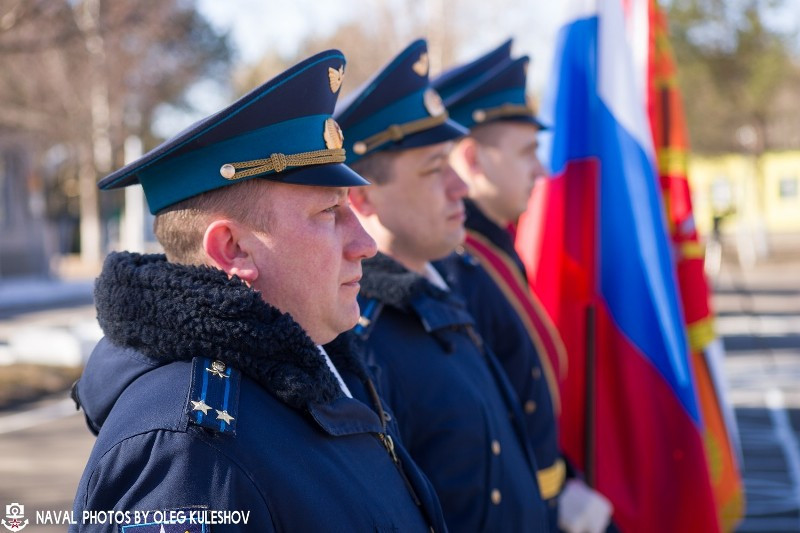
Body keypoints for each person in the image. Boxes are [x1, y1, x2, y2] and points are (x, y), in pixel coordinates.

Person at [70, 50, 447, 532]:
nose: (366, 244)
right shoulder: (191, 452)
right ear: (232, 248)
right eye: (329, 213)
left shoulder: (314, 370)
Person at [335, 39, 549, 532]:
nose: (460, 187)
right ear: (364, 199)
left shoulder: (442, 285)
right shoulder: (360, 333)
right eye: (435, 170)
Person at [433, 41, 614, 533]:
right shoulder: (456, 266)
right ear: (474, 158)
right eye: (528, 151)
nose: (542, 169)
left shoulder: (492, 252)